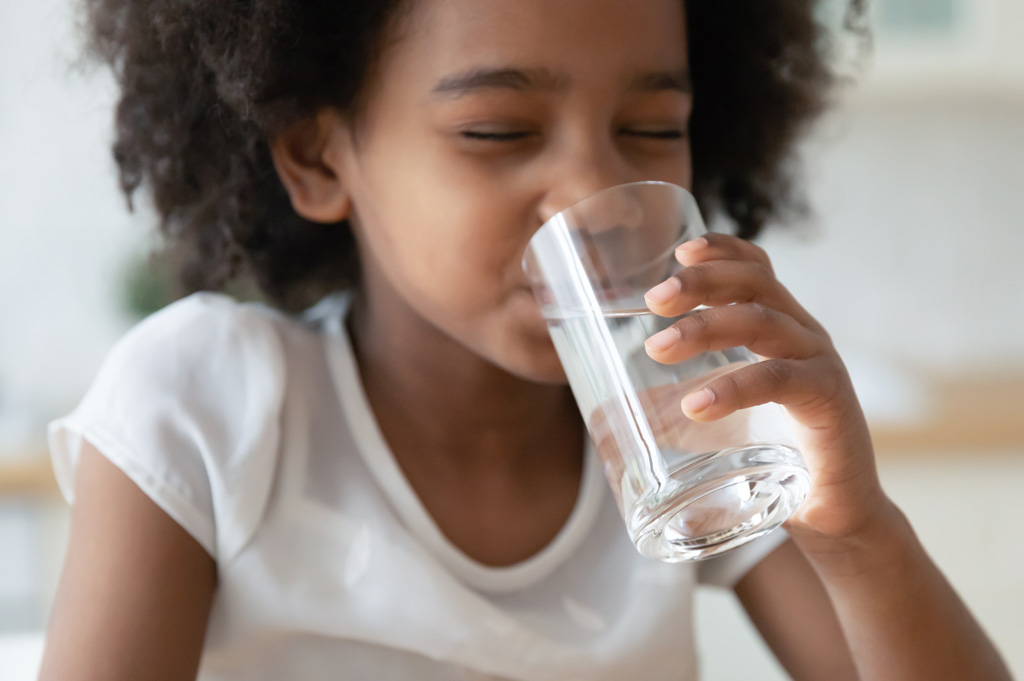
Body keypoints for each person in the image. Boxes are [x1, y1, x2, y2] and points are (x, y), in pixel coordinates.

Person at [39, 0, 1012, 679]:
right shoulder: (206, 404)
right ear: (316, 156)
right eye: (498, 132)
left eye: (648, 126)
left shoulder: (683, 429)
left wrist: (855, 533)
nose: (591, 192)